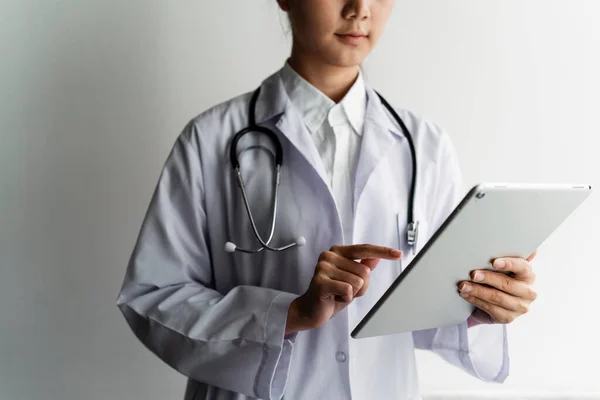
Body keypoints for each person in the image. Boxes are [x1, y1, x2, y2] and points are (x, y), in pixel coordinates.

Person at [116, 1, 538, 399]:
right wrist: (287, 313)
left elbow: (430, 311)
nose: (359, 9)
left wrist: (482, 305)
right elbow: (153, 296)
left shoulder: (424, 146)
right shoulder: (210, 140)